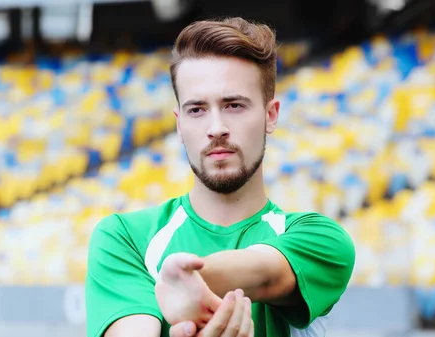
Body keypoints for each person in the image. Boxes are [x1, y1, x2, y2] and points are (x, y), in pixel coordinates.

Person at [85, 16, 356, 337]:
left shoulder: (321, 240)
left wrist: (185, 281)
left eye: (234, 105)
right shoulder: (124, 238)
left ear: (270, 115)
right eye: (197, 109)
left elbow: (266, 273)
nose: (216, 128)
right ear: (179, 124)